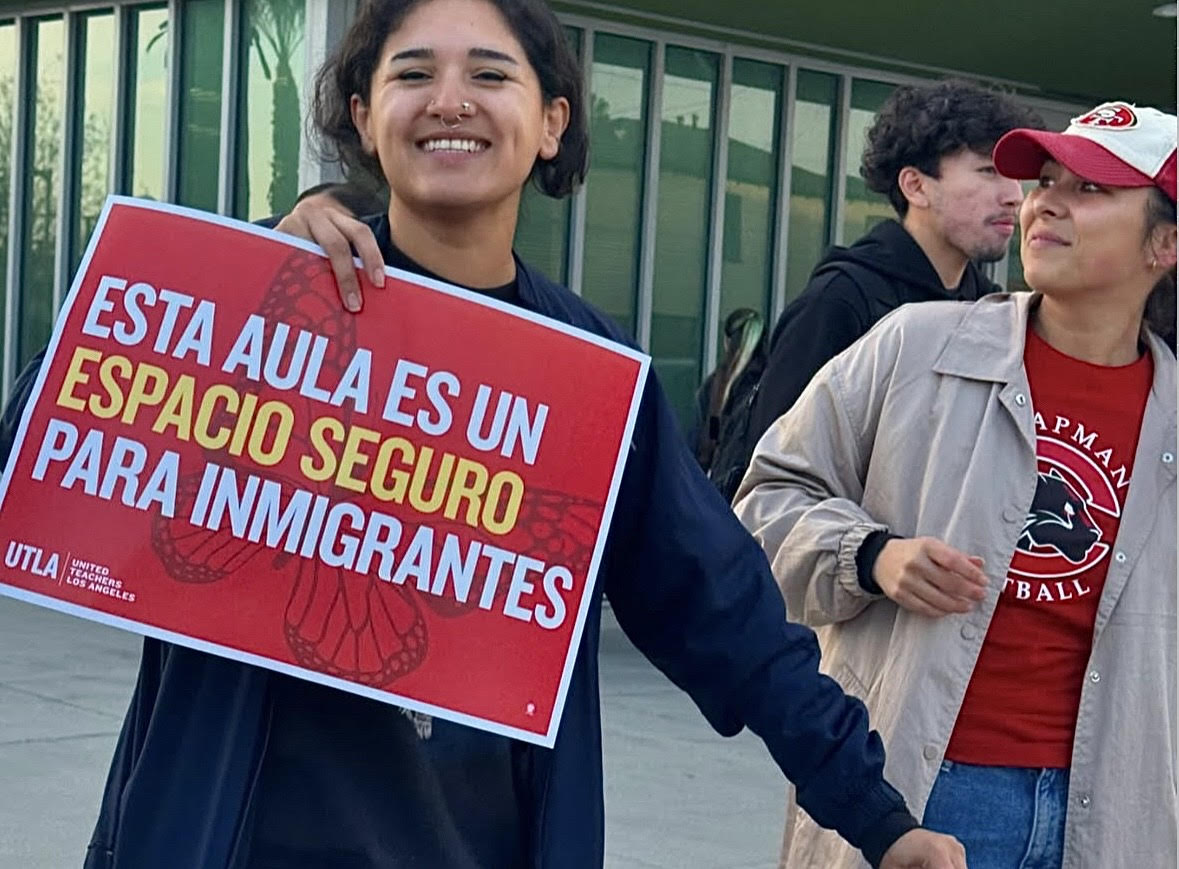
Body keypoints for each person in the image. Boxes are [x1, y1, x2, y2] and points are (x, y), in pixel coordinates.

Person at [0, 0, 967, 867]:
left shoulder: (587, 376)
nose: (449, 100)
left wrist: (878, 818)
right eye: (412, 73)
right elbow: (40, 458)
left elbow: (722, 610)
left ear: (551, 124)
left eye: (490, 75)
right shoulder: (253, 305)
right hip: (218, 832)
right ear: (362, 119)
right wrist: (245, 270)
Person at [734, 101, 1177, 868]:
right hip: (920, 791)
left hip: (1116, 806)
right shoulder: (915, 346)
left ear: (1165, 241)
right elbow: (760, 502)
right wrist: (868, 554)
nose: (1045, 204)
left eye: (1092, 189)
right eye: (1046, 180)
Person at [707, 80, 1042, 501]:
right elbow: (772, 481)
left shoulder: (993, 312)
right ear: (915, 186)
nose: (1014, 196)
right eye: (988, 171)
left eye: (1016, 177)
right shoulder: (840, 301)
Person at [688, 307, 766, 470]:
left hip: (720, 480)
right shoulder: (769, 385)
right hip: (752, 480)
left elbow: (711, 436)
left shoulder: (715, 386)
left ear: (727, 341)